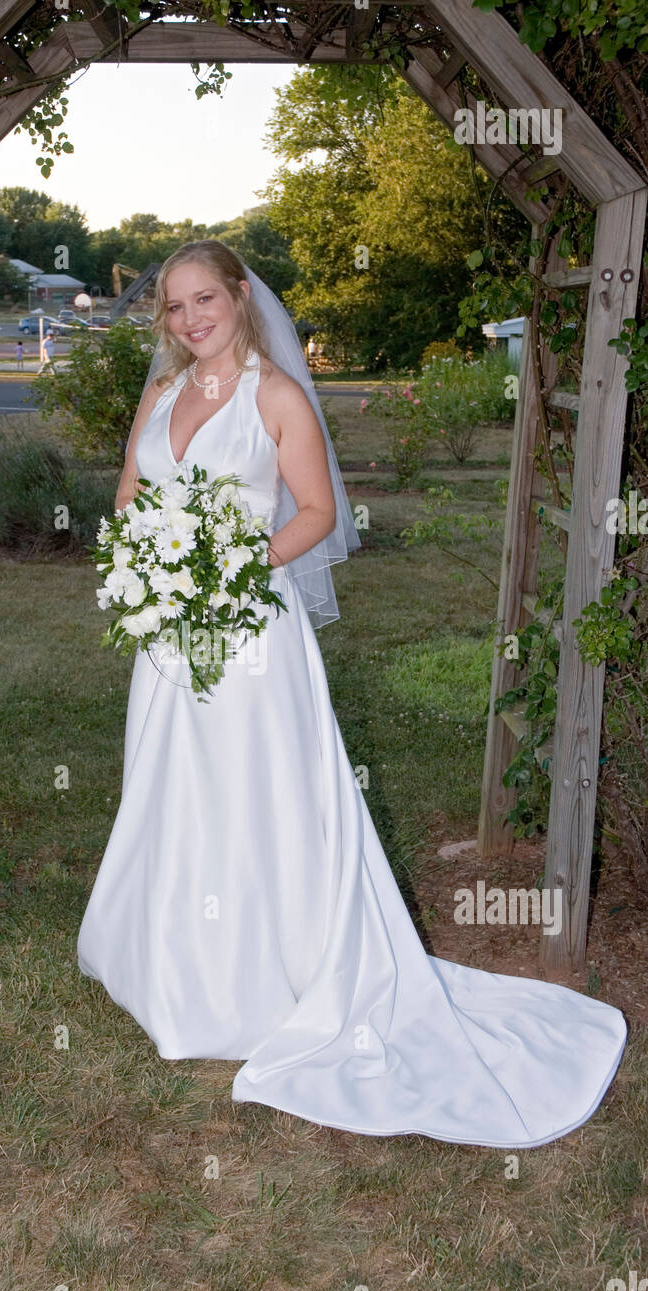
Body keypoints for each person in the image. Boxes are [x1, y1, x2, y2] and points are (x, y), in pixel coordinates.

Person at [77, 239, 627, 1149]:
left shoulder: (275, 395)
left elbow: (319, 514)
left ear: (240, 296)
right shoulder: (165, 392)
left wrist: (227, 570)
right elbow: (133, 494)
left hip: (251, 637)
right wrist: (146, 568)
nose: (189, 320)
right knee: (172, 791)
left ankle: (265, 980)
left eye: (204, 300)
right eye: (174, 308)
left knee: (258, 801)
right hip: (170, 638)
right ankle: (170, 963)